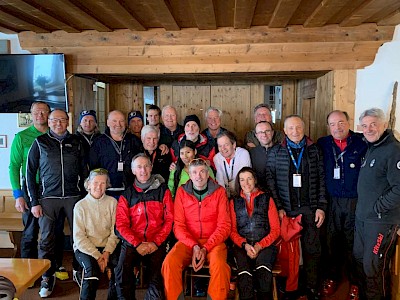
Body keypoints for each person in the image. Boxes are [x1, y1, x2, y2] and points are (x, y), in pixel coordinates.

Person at [26, 108, 87, 298]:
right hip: (48, 199)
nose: (58, 123)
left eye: (62, 120)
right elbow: (29, 173)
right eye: (54, 120)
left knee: (79, 237)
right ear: (49, 121)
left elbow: (86, 171)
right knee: (46, 240)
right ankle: (47, 275)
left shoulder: (77, 142)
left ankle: (78, 270)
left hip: (73, 196)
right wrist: (34, 202)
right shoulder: (40, 142)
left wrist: (86, 198)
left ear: (68, 121)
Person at [266, 115, 327, 299]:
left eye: (299, 127)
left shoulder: (314, 150)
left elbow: (322, 179)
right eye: (291, 128)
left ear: (304, 128)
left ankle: (311, 287)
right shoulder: (276, 152)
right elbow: (270, 180)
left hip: (310, 208)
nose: (295, 132)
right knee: (289, 253)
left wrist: (321, 206)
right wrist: (278, 206)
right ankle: (290, 288)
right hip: (287, 208)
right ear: (284, 131)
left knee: (312, 249)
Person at [162, 158, 231, 300]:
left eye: (202, 172)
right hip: (188, 242)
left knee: (220, 265)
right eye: (194, 173)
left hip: (214, 242)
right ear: (190, 175)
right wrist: (194, 246)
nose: (198, 176)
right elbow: (179, 225)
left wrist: (206, 247)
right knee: (170, 263)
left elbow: (224, 225)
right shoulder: (182, 192)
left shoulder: (219, 192)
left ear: (208, 174)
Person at [317, 110, 367, 298]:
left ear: (348, 122)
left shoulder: (362, 142)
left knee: (354, 244)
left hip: (355, 201)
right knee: (331, 242)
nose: (337, 127)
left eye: (341, 122)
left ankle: (355, 282)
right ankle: (332, 277)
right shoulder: (323, 143)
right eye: (332, 124)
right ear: (328, 126)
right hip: (332, 201)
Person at [354, 108, 400, 300]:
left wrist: (378, 207)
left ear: (384, 125)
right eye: (364, 125)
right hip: (363, 219)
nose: (368, 129)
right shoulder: (371, 147)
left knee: (373, 267)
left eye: (373, 124)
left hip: (381, 221)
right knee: (360, 260)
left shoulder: (394, 150)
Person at [115, 154, 173, 299]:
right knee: (122, 272)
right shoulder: (127, 194)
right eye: (139, 167)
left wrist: (156, 242)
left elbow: (169, 220)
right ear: (133, 171)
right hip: (133, 241)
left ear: (151, 167)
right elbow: (121, 225)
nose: (143, 170)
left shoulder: (163, 191)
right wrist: (137, 243)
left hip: (156, 241)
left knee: (157, 277)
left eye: (146, 166)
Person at [230, 167, 280, 300]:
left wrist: (259, 246)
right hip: (242, 246)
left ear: (255, 180)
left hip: (265, 245)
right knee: (244, 274)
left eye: (249, 179)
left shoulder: (267, 198)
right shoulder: (234, 202)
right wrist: (245, 245)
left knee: (263, 271)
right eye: (242, 180)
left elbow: (276, 230)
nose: (246, 183)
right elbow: (232, 231)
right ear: (238, 182)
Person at [9, 101, 49, 259]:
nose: (40, 115)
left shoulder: (54, 135)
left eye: (44, 112)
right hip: (29, 188)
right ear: (31, 115)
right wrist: (18, 195)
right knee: (30, 231)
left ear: (49, 114)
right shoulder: (22, 137)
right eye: (36, 112)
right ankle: (28, 269)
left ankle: (49, 268)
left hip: (51, 188)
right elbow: (13, 166)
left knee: (51, 230)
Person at [73, 168, 120, 300]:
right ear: (88, 184)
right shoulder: (80, 206)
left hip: (108, 247)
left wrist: (106, 252)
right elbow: (79, 238)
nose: (98, 186)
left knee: (119, 268)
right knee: (92, 272)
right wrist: (98, 256)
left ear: (107, 185)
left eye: (103, 183)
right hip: (86, 249)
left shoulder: (113, 203)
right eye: (95, 183)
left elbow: (115, 232)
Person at [90, 110, 141, 199]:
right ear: (108, 122)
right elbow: (93, 168)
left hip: (130, 191)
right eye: (114, 121)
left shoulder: (134, 141)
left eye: (121, 121)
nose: (118, 124)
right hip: (106, 192)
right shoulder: (98, 142)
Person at [214, 131, 251, 198]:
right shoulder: (216, 158)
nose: (223, 149)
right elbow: (220, 180)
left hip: (244, 191)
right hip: (226, 193)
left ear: (233, 145)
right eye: (220, 146)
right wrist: (224, 197)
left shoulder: (243, 154)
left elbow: (244, 178)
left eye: (226, 145)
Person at [249, 121, 276, 189]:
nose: (264, 134)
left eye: (267, 131)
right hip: (259, 193)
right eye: (260, 132)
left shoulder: (282, 151)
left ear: (272, 133)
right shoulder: (251, 153)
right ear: (256, 135)